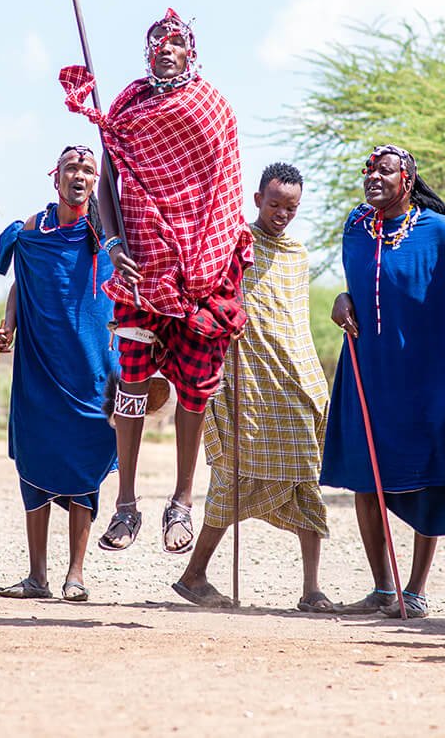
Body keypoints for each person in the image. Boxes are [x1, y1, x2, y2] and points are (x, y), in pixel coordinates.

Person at [60, 9, 252, 555]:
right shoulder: (127, 106)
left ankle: (181, 502)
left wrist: (217, 255)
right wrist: (115, 243)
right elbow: (109, 179)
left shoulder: (212, 107)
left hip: (204, 264)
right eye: (156, 44)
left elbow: (226, 185)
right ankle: (126, 504)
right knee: (132, 383)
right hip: (141, 267)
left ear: (192, 51)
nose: (164, 49)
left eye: (175, 43)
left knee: (196, 388)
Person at [173, 163, 333, 611]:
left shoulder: (298, 255)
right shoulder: (231, 243)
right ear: (257, 198)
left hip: (293, 383)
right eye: (275, 203)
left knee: (307, 480)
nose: (282, 213)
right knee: (233, 477)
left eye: (292, 207)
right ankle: (195, 574)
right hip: (243, 381)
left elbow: (294, 322)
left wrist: (313, 381)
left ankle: (311, 588)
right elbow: (212, 300)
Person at [322, 146, 445, 619]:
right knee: (366, 476)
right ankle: (384, 588)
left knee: (431, 475)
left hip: (423, 375)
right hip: (368, 368)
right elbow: (357, 284)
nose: (373, 177)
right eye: (369, 170)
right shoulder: (355, 226)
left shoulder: (439, 233)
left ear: (407, 179)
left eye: (384, 171)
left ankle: (418, 588)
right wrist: (342, 298)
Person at [0, 145, 119, 602]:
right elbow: (18, 285)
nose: (79, 176)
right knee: (36, 465)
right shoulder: (31, 230)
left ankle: (76, 574)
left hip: (92, 370)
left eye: (88, 170)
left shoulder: (107, 230)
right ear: (56, 178)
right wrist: (7, 328)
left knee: (84, 465)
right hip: (39, 368)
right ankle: (37, 576)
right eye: (71, 169)